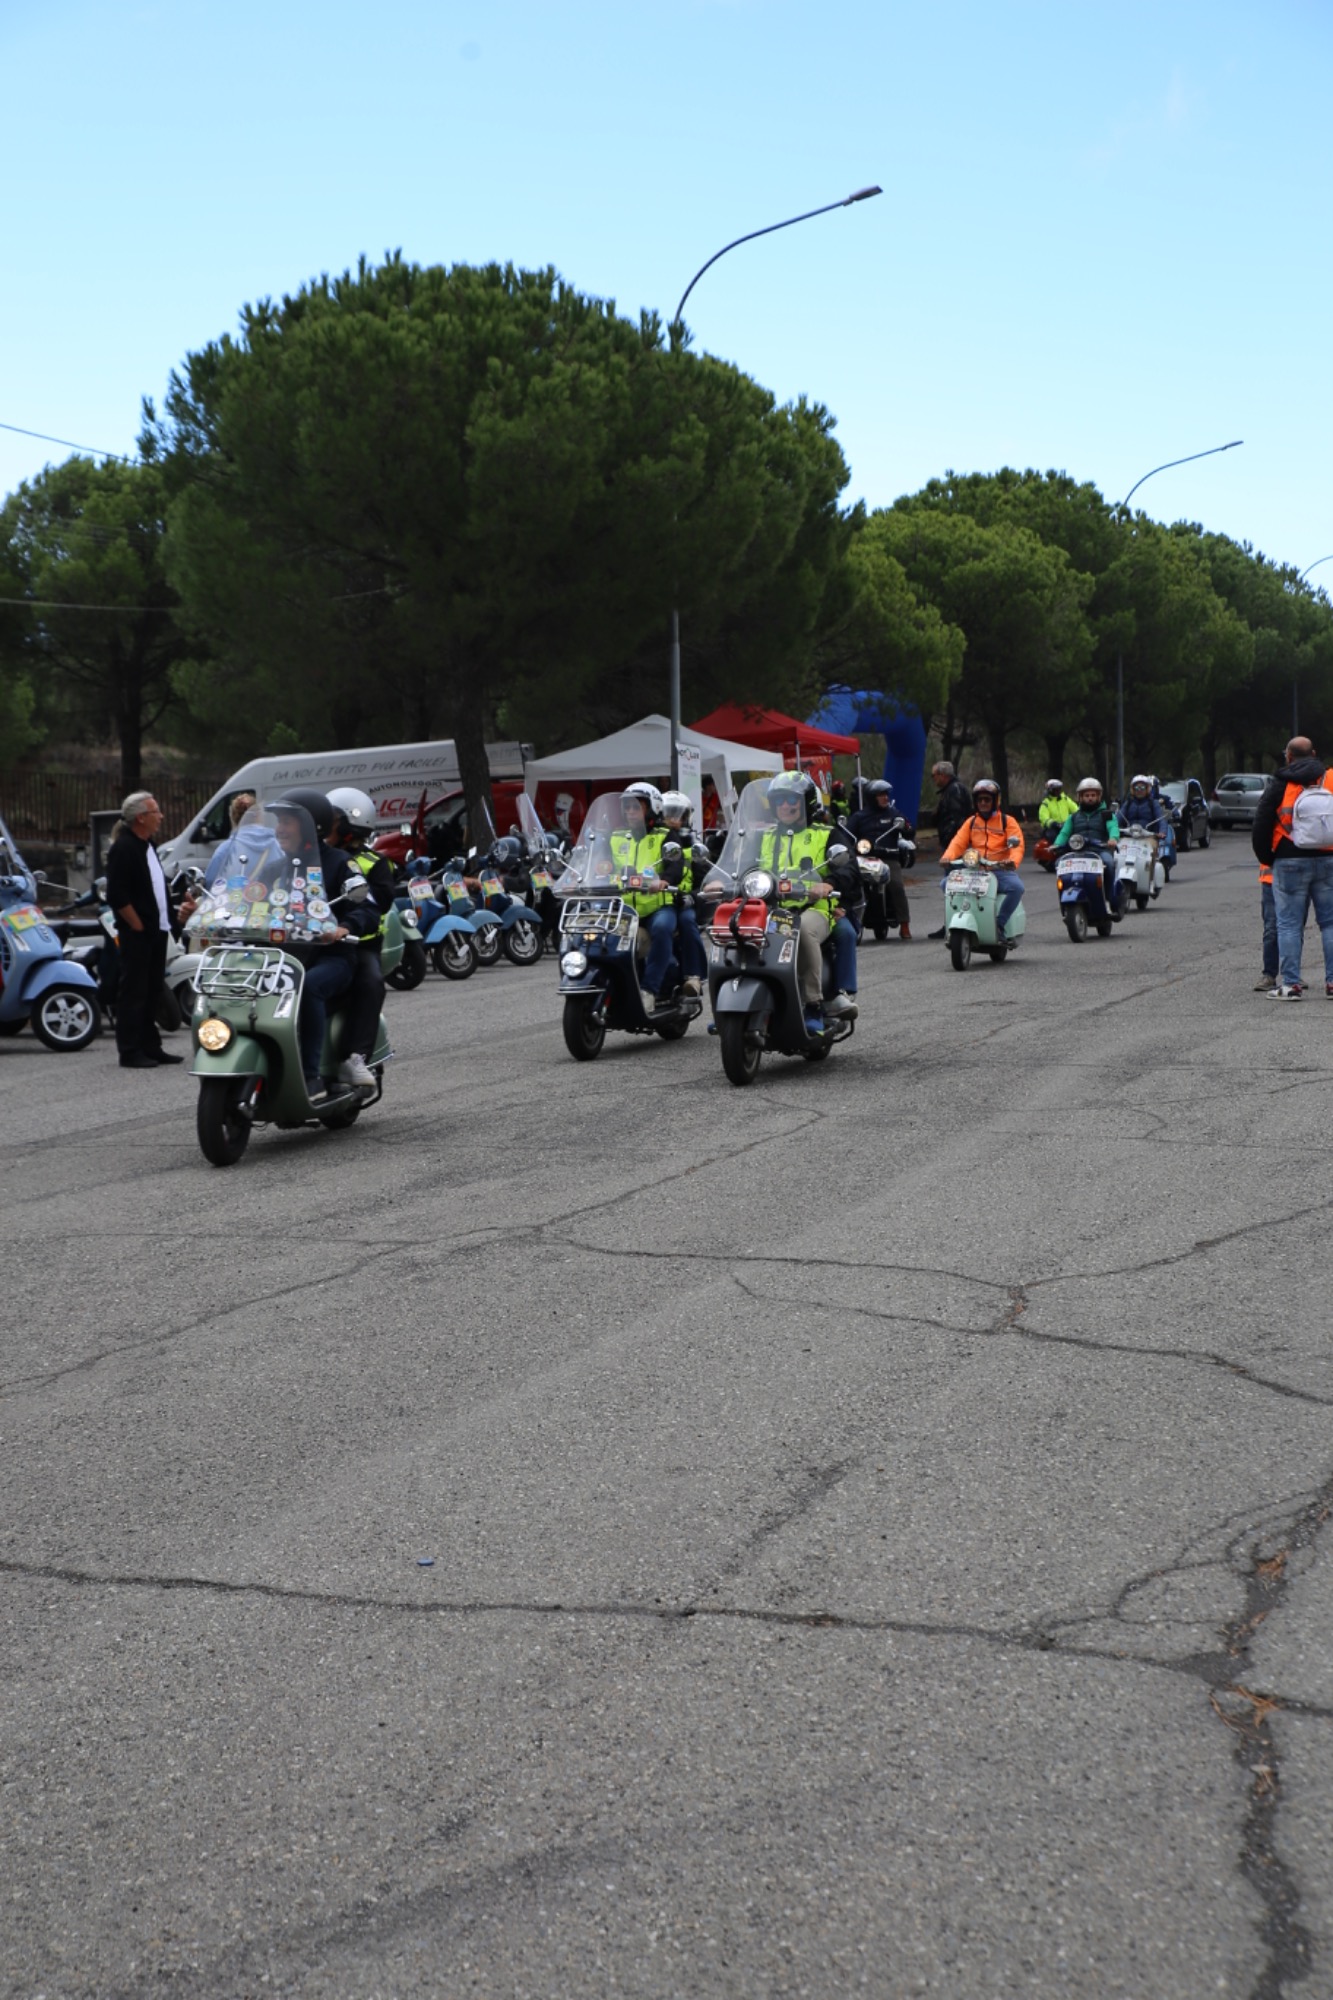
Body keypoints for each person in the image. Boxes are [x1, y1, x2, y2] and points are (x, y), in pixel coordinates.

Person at [261, 789, 376, 1098]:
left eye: (287, 822)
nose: (280, 829)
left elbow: (368, 908)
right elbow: (247, 902)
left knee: (309, 986)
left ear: (312, 825)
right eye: (278, 822)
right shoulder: (275, 868)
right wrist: (212, 911)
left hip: (331, 958)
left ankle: (310, 1077)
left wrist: (344, 926)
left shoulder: (340, 863)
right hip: (285, 957)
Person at [757, 771, 860, 1033]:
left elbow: (849, 868)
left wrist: (829, 883)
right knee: (738, 929)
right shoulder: (765, 837)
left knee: (801, 930)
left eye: (791, 799)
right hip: (771, 908)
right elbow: (743, 865)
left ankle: (813, 1003)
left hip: (814, 908)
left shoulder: (827, 834)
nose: (785, 806)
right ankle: (740, 1002)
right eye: (779, 800)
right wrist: (723, 880)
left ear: (807, 803)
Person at [104, 792, 185, 1070]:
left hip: (157, 930)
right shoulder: (124, 848)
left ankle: (151, 1046)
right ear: (141, 817)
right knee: (134, 992)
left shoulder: (148, 844)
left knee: (152, 990)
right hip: (138, 933)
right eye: (155, 812)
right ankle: (130, 1050)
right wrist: (136, 924)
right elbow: (117, 894)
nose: (161, 816)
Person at [1251, 736, 1333, 1000]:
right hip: (1328, 859)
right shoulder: (1330, 779)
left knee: (1288, 924)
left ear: (1288, 756)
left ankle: (1291, 985)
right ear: (1314, 754)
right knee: (1330, 924)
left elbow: (1261, 823)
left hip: (1289, 860)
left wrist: (1268, 857)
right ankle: (1332, 983)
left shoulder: (1281, 783)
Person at [327, 786, 395, 1089]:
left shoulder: (374, 863)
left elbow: (381, 903)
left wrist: (349, 921)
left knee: (370, 983)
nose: (325, 826)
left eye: (332, 820)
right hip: (318, 941)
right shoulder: (318, 856)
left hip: (361, 944)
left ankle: (356, 1057)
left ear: (348, 825)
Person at [608, 783, 677, 1006]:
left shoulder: (665, 835)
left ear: (652, 808)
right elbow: (603, 865)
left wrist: (663, 880)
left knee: (662, 928)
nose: (630, 812)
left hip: (657, 905)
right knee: (600, 933)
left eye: (636, 807)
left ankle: (649, 990)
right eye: (627, 807)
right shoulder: (616, 837)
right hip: (626, 908)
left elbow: (675, 865)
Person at [938, 779, 1026, 937]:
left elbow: (1017, 845)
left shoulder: (1007, 821)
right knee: (945, 883)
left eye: (987, 799)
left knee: (1016, 888)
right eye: (980, 800)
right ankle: (963, 915)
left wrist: (1011, 861)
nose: (983, 803)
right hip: (974, 870)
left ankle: (999, 924)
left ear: (995, 801)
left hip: (998, 869)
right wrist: (947, 857)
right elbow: (958, 842)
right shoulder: (971, 822)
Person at [847, 778, 915, 939]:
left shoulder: (894, 814)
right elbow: (847, 835)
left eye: (886, 794)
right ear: (871, 797)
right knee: (851, 884)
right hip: (865, 859)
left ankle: (904, 924)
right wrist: (849, 846)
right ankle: (852, 920)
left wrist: (905, 827)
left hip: (888, 857)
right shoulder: (860, 816)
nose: (885, 798)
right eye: (881, 795)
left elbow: (909, 832)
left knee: (896, 885)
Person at [659, 789, 708, 994]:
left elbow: (704, 883)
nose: (672, 820)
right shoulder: (653, 841)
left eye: (678, 815)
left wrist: (691, 898)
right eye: (668, 814)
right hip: (655, 901)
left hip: (682, 902)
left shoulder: (694, 847)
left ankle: (693, 976)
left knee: (687, 921)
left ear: (687, 818)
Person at [1051, 777, 1122, 910]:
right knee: (1059, 864)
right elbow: (1064, 833)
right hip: (1077, 852)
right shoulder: (1074, 817)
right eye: (1087, 795)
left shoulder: (1107, 814)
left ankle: (1109, 897)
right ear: (1080, 797)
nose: (1090, 798)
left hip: (1100, 851)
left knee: (1109, 864)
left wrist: (1113, 839)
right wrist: (1056, 844)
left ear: (1099, 796)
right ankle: (1066, 897)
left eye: (1093, 795)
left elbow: (1113, 827)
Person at [927, 761, 973, 938]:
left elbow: (957, 819)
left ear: (942, 775)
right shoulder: (951, 790)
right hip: (952, 846)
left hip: (956, 848)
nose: (933, 779)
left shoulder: (954, 790)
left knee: (955, 885)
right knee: (952, 886)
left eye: (934, 775)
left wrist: (952, 841)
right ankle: (951, 923)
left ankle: (956, 923)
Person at [202, 792, 276, 888]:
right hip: (273, 896)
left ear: (233, 817)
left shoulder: (227, 848)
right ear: (258, 815)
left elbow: (210, 882)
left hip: (236, 897)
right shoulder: (277, 843)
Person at [1256, 861, 1279, 992]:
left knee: (1295, 929)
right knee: (1271, 929)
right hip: (1271, 879)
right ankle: (1269, 974)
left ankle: (1293, 976)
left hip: (1298, 878)